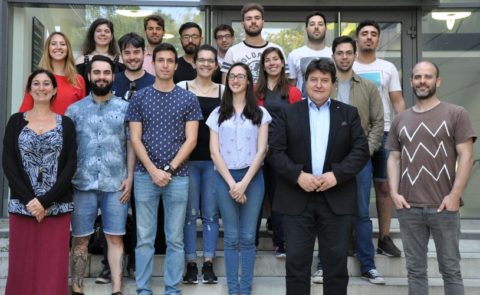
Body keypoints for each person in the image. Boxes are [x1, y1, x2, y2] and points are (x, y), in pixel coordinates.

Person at [268, 58, 370, 295]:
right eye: (314, 79)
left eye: (325, 80)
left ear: (333, 83)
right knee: (296, 266)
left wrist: (337, 175)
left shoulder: (349, 113)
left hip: (336, 197)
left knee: (335, 267)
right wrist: (297, 176)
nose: (319, 84)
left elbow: (360, 151)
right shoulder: (288, 113)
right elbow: (274, 151)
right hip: (296, 198)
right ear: (305, 83)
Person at [387, 61, 476, 295]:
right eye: (417, 77)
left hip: (444, 207)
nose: (422, 81)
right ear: (411, 82)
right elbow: (394, 158)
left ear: (438, 81)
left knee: (451, 270)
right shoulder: (400, 119)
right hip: (409, 207)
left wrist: (455, 196)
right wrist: (395, 194)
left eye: (428, 77)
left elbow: (466, 157)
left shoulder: (456, 113)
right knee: (415, 271)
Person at [126, 43, 202, 295]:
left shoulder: (188, 98)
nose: (166, 65)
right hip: (144, 176)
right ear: (154, 63)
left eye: (170, 60)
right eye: (161, 60)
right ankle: (143, 289)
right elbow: (135, 139)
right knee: (145, 238)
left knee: (175, 238)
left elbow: (191, 140)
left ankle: (172, 288)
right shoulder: (139, 97)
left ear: (176, 65)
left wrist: (168, 169)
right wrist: (153, 170)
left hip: (178, 177)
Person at [3, 69, 77, 295]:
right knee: (22, 266)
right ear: (29, 89)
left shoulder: (66, 123)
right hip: (23, 206)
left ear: (54, 90)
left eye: (47, 84)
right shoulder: (16, 121)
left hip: (56, 207)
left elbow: (70, 165)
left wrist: (45, 202)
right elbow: (9, 163)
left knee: (52, 268)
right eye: (36, 83)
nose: (41, 87)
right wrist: (31, 201)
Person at [68, 55, 134, 295]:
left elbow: (130, 145)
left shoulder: (125, 108)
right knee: (80, 239)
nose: (102, 77)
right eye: (97, 73)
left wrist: (130, 178)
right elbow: (68, 149)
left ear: (113, 77)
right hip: (81, 183)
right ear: (89, 76)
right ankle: (77, 288)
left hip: (115, 183)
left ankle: (117, 289)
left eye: (106, 73)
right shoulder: (74, 110)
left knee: (115, 237)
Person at [206, 62, 271, 295]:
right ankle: (233, 290)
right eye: (232, 76)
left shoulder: (261, 114)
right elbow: (214, 152)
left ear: (248, 81)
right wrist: (233, 183)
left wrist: (244, 183)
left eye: (240, 76)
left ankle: (246, 289)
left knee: (247, 236)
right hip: (225, 178)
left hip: (252, 178)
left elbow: (262, 150)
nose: (235, 80)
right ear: (227, 80)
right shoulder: (217, 113)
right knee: (231, 237)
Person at [331, 36, 386, 284]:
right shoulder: (324, 85)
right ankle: (325, 265)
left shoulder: (368, 87)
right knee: (328, 213)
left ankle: (368, 265)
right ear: (333, 56)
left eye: (348, 53)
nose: (344, 57)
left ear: (354, 56)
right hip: (329, 161)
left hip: (360, 159)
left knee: (362, 213)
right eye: (339, 53)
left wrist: (367, 150)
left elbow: (378, 123)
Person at [353, 19, 405, 257]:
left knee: (384, 187)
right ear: (357, 38)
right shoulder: (348, 66)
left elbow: (397, 102)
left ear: (378, 39)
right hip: (358, 134)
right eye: (365, 33)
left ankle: (384, 237)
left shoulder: (388, 68)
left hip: (386, 133)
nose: (369, 37)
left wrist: (403, 130)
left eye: (374, 34)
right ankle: (356, 237)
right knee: (358, 189)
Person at [177, 44, 225, 285]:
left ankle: (208, 263)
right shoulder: (182, 88)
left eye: (210, 60)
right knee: (188, 215)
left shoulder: (224, 91)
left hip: (214, 161)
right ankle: (190, 264)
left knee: (210, 215)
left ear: (216, 65)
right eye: (201, 60)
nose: (206, 64)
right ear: (194, 63)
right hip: (187, 161)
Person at [255, 47, 301, 257]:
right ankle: (251, 241)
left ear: (283, 63)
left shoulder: (292, 91)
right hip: (256, 150)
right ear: (263, 65)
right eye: (268, 60)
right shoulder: (255, 90)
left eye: (276, 59)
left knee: (278, 196)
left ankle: (280, 241)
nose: (272, 63)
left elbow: (297, 122)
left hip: (281, 151)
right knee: (255, 195)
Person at [19, 31, 86, 115]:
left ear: (68, 49)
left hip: (69, 127)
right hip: (40, 127)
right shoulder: (35, 78)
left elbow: (83, 114)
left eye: (62, 44)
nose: (58, 47)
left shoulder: (78, 80)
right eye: (54, 44)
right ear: (48, 48)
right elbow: (25, 110)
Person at [221, 3, 287, 84]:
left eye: (257, 18)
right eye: (249, 19)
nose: (253, 22)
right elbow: (225, 85)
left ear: (263, 22)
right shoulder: (232, 51)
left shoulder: (277, 49)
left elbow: (285, 82)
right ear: (243, 24)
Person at [287, 11, 332, 95]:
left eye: (320, 24)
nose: (316, 27)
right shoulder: (294, 54)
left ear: (326, 28)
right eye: (312, 24)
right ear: (306, 29)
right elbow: (291, 86)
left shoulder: (333, 54)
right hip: (302, 104)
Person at [75, 18, 125, 94]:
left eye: (107, 31)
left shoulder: (121, 60)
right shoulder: (81, 60)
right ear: (93, 35)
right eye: (99, 31)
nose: (103, 33)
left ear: (111, 36)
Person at [113, 32, 155, 100]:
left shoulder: (155, 83)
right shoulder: (111, 81)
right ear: (121, 55)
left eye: (136, 52)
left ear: (144, 53)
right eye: (127, 53)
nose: (132, 57)